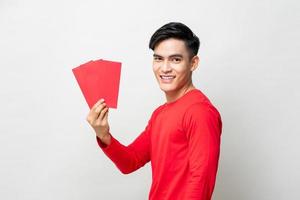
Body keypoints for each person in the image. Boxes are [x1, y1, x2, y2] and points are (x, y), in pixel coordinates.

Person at [86, 22, 222, 200]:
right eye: (158, 58)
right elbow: (130, 161)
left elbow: (201, 182)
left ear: (193, 63)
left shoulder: (200, 112)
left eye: (175, 59)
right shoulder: (160, 114)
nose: (164, 68)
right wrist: (103, 134)